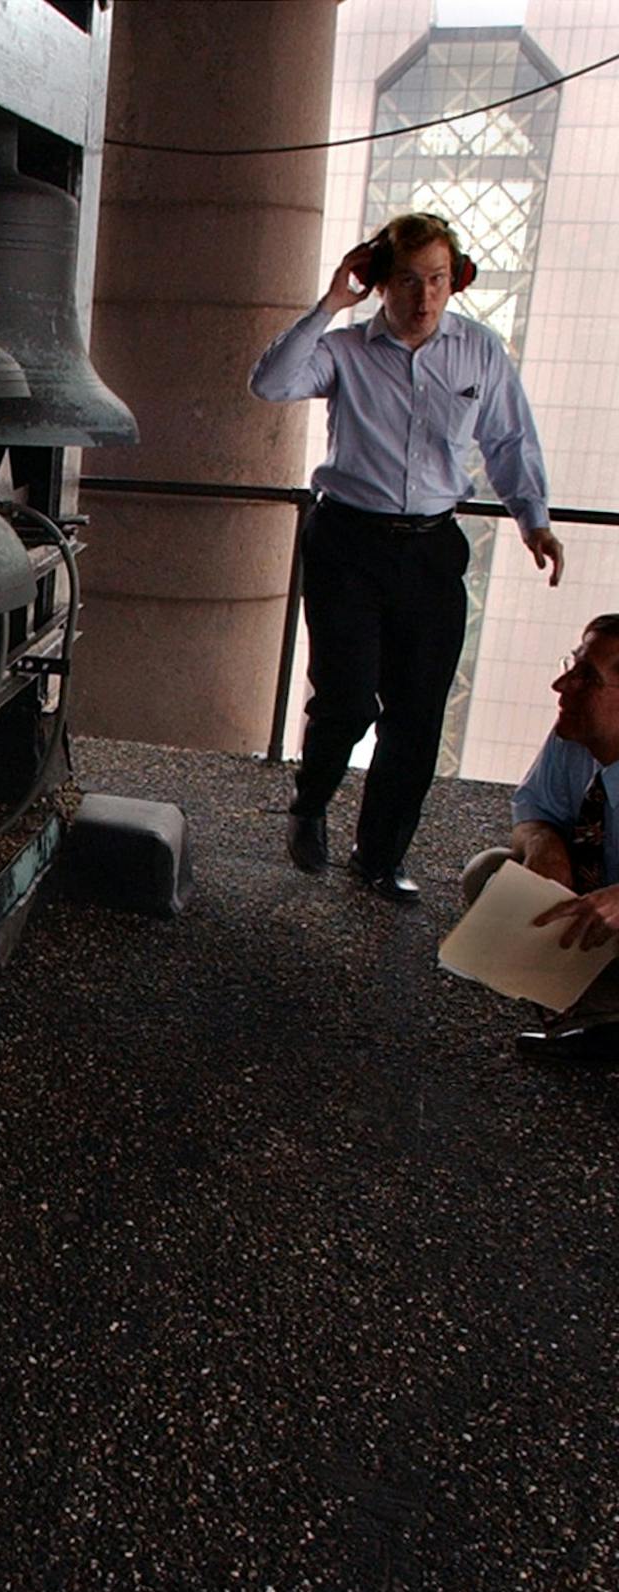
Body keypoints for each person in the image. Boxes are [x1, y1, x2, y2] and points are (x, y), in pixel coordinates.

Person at [251, 211, 564, 902]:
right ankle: (309, 804)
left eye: (438, 280)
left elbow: (509, 440)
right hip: (347, 544)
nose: (424, 298)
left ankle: (379, 856)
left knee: (418, 714)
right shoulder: (346, 350)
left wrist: (533, 519)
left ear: (454, 282)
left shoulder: (477, 351)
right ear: (378, 282)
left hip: (430, 548)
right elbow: (270, 384)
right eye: (407, 281)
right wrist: (331, 302)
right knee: (348, 695)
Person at [460, 614, 619, 1059]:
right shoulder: (573, 734)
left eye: (587, 677)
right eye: (573, 664)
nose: (561, 685)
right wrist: (544, 846)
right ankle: (594, 1017)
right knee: (490, 873)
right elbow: (534, 807)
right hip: (596, 904)